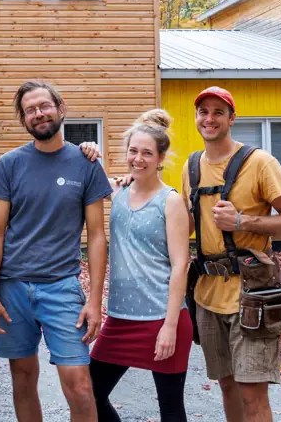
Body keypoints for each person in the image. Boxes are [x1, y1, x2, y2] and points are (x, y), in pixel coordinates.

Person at [0, 80, 113, 422]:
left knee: (80, 387)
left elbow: (97, 236)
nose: (38, 113)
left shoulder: (85, 164)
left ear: (60, 108)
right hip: (13, 289)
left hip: (62, 287)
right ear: (24, 120)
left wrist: (95, 301)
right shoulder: (10, 164)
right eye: (30, 110)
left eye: (44, 106)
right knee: (23, 378)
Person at [182, 87, 281, 422]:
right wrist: (135, 187)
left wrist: (241, 220)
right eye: (203, 112)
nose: (209, 119)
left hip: (252, 295)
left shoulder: (260, 162)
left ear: (231, 118)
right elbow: (186, 225)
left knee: (252, 394)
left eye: (218, 112)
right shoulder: (191, 166)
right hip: (207, 296)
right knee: (227, 386)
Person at [88, 109, 192, 421]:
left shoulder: (170, 201)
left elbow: (180, 265)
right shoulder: (117, 191)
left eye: (147, 153)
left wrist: (170, 327)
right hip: (120, 319)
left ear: (161, 157)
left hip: (162, 317)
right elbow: (83, 173)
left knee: (171, 409)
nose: (138, 159)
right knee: (89, 394)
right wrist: (87, 150)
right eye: (133, 151)